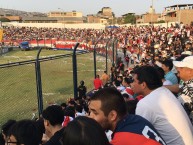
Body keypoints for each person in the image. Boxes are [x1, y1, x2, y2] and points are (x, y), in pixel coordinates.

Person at [131, 65, 193, 145]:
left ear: (143, 85)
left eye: (134, 81)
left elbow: (139, 136)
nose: (131, 84)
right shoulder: (164, 92)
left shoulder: (145, 103)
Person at [88, 87, 166, 145]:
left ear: (112, 115)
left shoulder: (120, 141)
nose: (90, 116)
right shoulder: (137, 119)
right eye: (90, 111)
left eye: (95, 113)